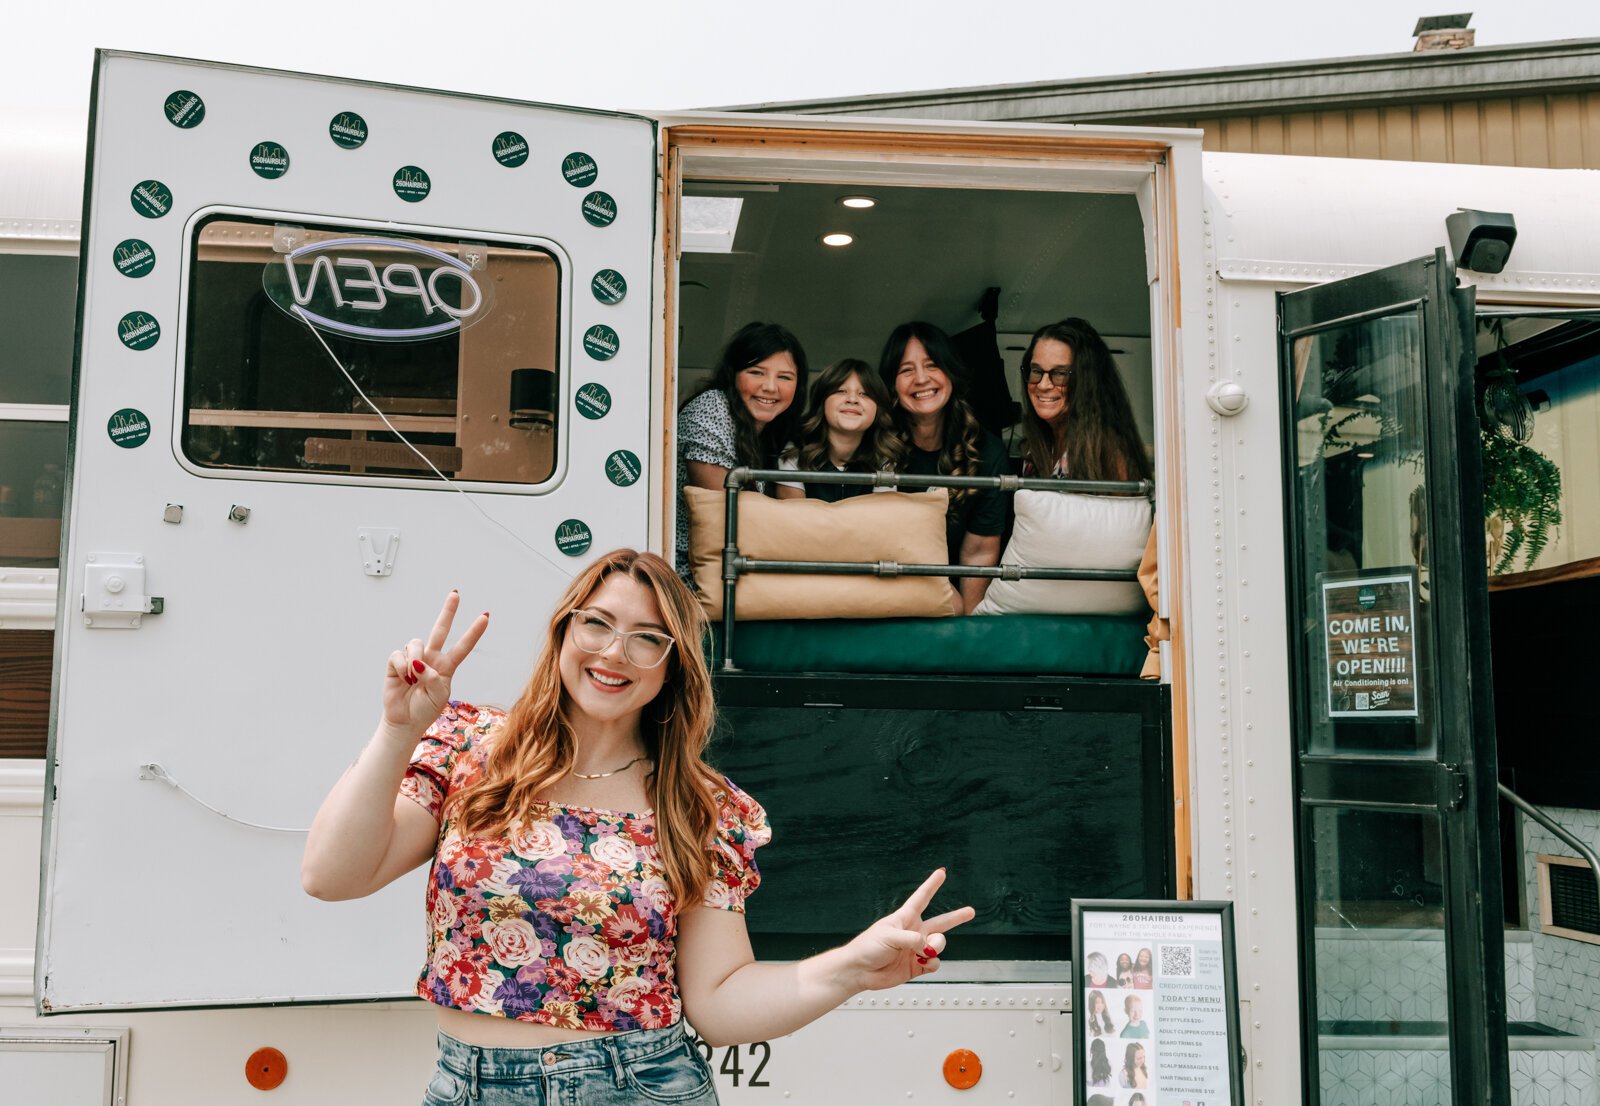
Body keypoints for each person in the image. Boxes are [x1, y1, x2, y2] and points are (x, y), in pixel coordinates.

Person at [302, 549, 973, 1105]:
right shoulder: (470, 748)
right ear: (565, 632)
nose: (615, 652)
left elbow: (718, 1001)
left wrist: (848, 968)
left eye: (648, 637)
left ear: (673, 664)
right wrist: (397, 732)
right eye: (597, 624)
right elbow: (331, 876)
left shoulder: (698, 806)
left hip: (631, 1086)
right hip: (464, 1084)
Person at [878, 322, 1009, 613]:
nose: (921, 379)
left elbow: (979, 551)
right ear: (891, 385)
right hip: (884, 584)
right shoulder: (875, 444)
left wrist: (970, 629)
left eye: (932, 365)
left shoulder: (986, 450)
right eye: (906, 370)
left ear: (951, 373)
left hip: (950, 598)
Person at [675, 322, 809, 577]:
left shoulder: (767, 433)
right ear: (733, 373)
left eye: (784, 377)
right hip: (691, 579)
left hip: (731, 574)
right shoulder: (712, 409)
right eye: (757, 372)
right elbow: (723, 515)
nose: (770, 386)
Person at [1016, 318, 1152, 483]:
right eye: (1036, 370)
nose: (1043, 385)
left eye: (1060, 373)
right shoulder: (1036, 444)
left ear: (1086, 382)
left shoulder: (1108, 453)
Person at [776, 358, 907, 502]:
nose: (852, 399)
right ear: (822, 401)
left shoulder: (884, 456)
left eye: (864, 394)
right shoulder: (795, 451)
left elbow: (878, 519)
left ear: (878, 409)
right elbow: (795, 518)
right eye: (841, 391)